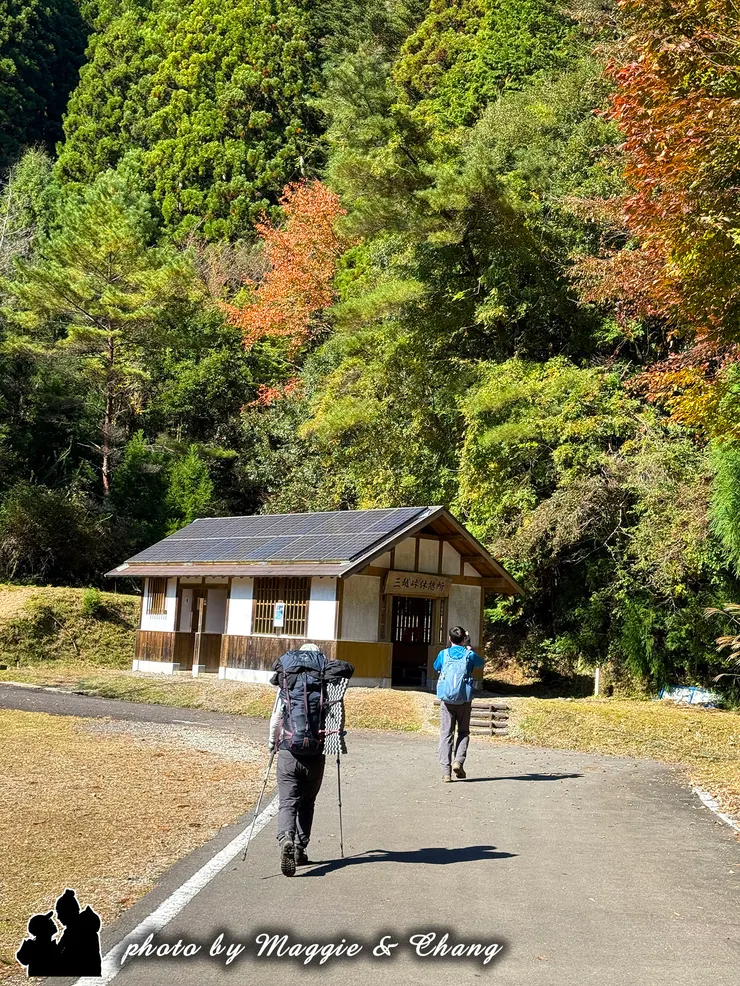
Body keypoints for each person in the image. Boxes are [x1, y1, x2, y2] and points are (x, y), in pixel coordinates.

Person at [269, 642, 353, 877]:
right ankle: (299, 849)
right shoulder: (326, 683)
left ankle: (286, 837)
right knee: (307, 803)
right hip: (315, 753)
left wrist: (270, 744)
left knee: (287, 802)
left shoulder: (287, 682)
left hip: (288, 749)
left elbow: (276, 718)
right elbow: (336, 717)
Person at [434, 626, 485, 782]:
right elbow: (481, 663)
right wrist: (469, 647)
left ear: (449, 639)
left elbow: (436, 667)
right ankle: (458, 761)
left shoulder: (443, 654)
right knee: (463, 732)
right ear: (464, 639)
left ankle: (446, 772)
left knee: (446, 734)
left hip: (447, 700)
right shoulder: (469, 655)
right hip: (464, 699)